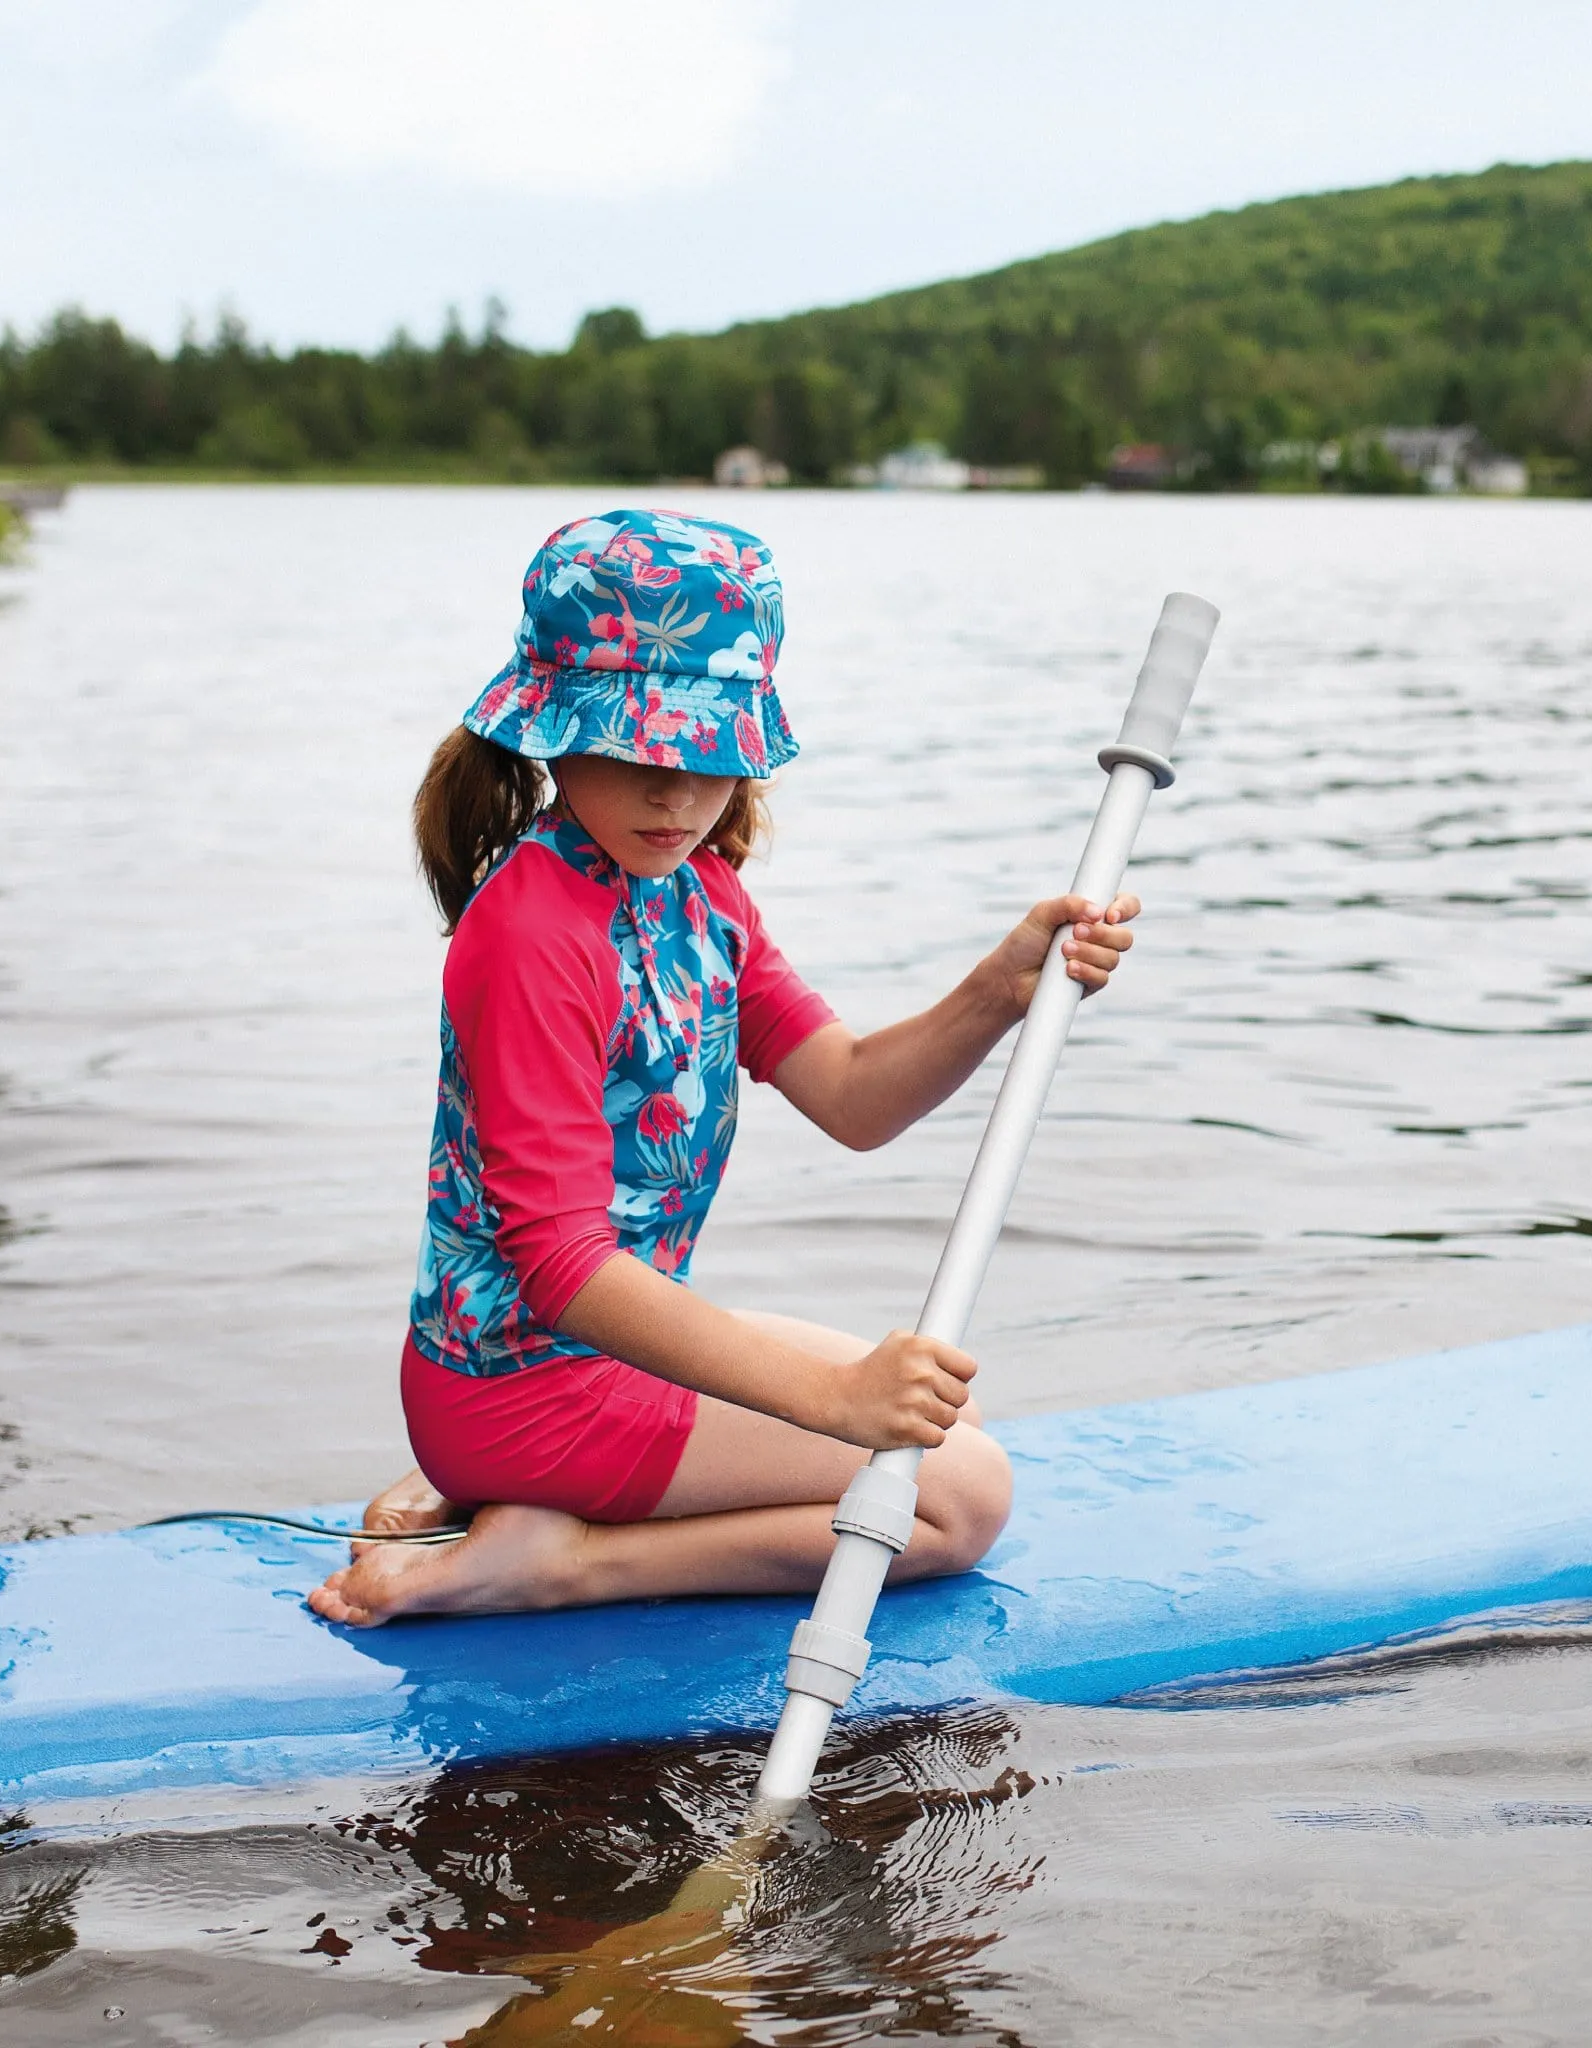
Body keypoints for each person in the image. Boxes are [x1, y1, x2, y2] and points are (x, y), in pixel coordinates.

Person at [310, 509, 1138, 1626]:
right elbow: (558, 1264)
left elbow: (850, 1094)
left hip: (596, 1359)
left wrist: (1000, 985)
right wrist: (832, 1399)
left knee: (953, 1429)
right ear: (554, 727)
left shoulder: (699, 898)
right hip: (519, 1384)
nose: (677, 792)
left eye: (705, 754)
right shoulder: (531, 933)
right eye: (639, 749)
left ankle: (486, 1496)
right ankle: (554, 1560)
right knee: (956, 1499)